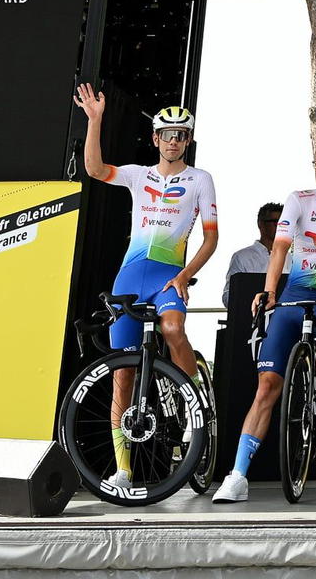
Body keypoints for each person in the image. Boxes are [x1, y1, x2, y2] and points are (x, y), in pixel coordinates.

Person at [74, 85, 218, 495]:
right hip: (130, 277)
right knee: (122, 374)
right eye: (167, 134)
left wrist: (185, 275)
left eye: (181, 135)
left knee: (173, 330)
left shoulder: (200, 179)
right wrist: (95, 120)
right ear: (156, 138)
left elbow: (210, 238)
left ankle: (194, 410)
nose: (174, 141)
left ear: (188, 140)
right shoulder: (139, 175)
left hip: (169, 275)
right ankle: (124, 470)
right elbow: (95, 169)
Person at [212, 143, 316, 503]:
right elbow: (281, 247)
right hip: (292, 295)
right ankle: (237, 475)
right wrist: (269, 291)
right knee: (266, 387)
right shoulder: (298, 199)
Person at [222, 202, 283, 307]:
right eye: (274, 221)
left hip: (282, 318)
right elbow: (228, 297)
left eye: (282, 222)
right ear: (260, 224)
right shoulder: (241, 257)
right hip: (251, 318)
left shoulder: (291, 259)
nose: (279, 225)